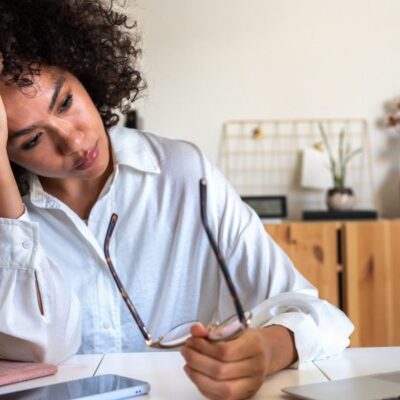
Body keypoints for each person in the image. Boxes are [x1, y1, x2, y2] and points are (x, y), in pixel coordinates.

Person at [0, 1, 353, 399]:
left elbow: (320, 318)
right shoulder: (5, 214)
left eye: (65, 102)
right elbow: (38, 351)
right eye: (32, 139)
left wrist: (266, 351)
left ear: (82, 71)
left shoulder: (183, 174)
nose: (74, 141)